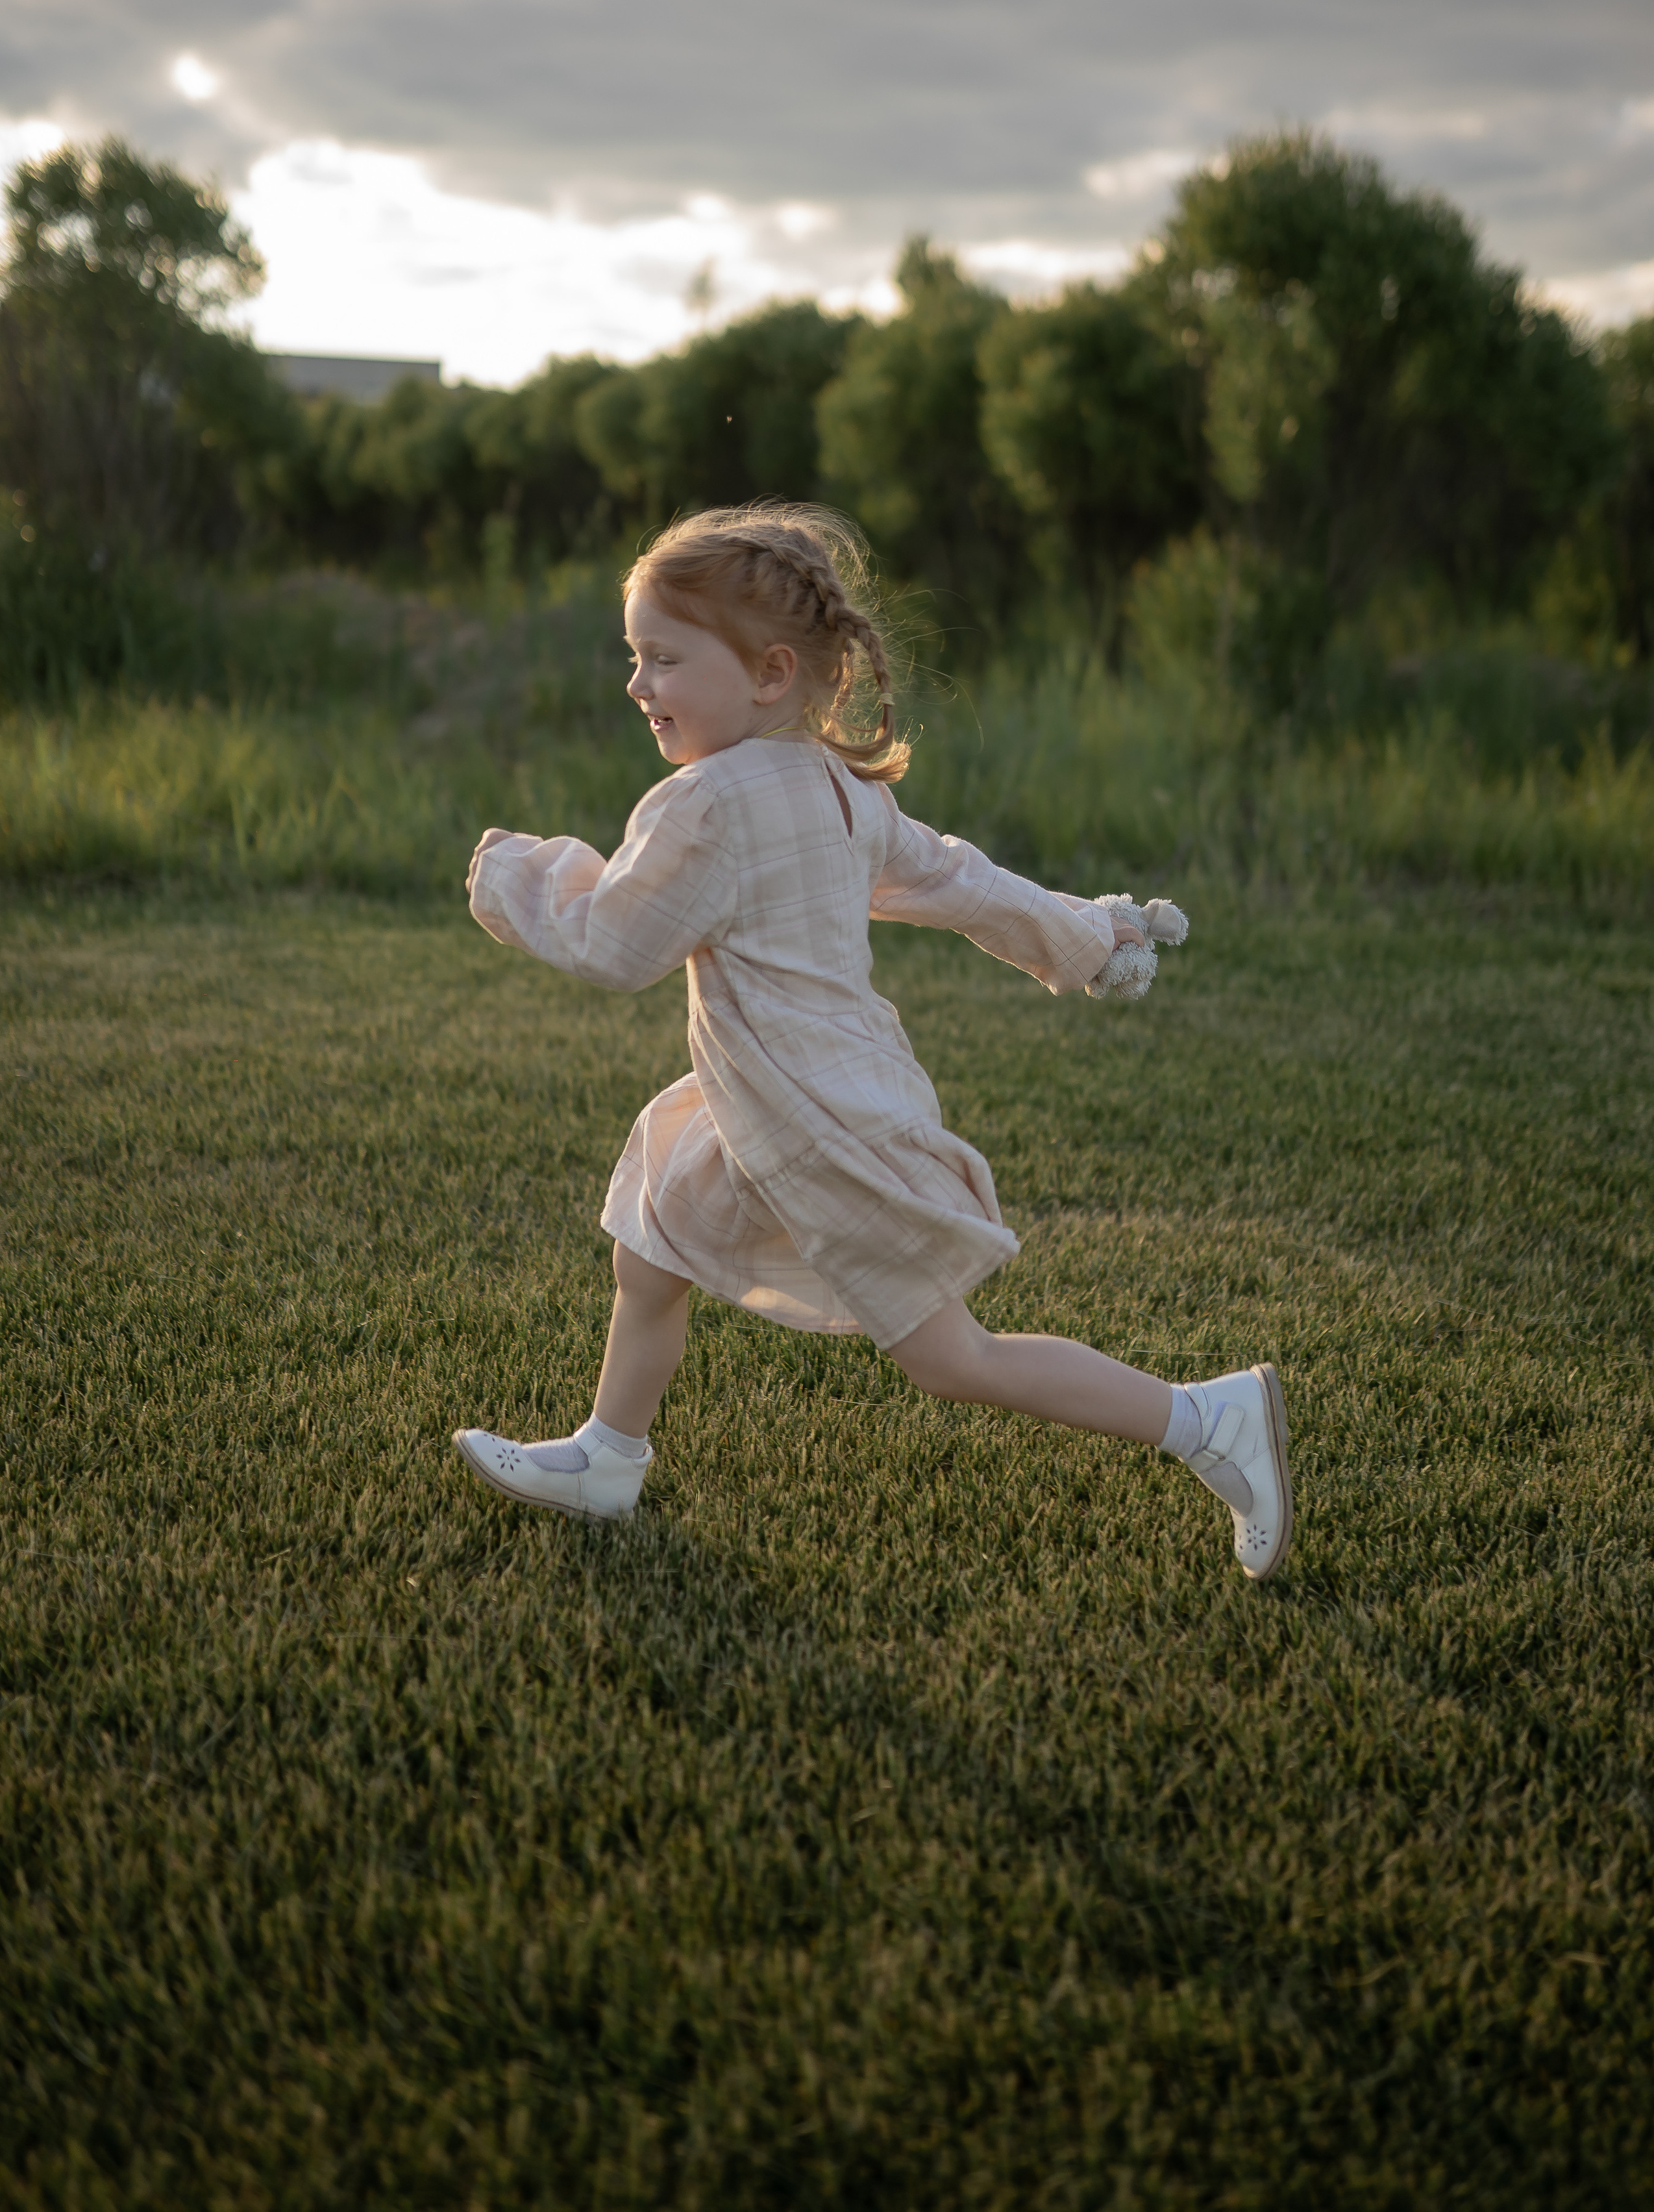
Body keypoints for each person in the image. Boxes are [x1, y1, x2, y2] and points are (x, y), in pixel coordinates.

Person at [455, 504, 1291, 1580]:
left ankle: (1206, 1421)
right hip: (794, 1091)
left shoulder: (704, 802)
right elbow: (954, 876)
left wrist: (522, 871)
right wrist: (1086, 934)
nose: (637, 684)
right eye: (635, 657)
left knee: (952, 1359)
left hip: (815, 1123)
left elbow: (615, 944)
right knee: (654, 1240)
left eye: (662, 658)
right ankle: (608, 1457)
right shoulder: (835, 787)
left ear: (770, 673)